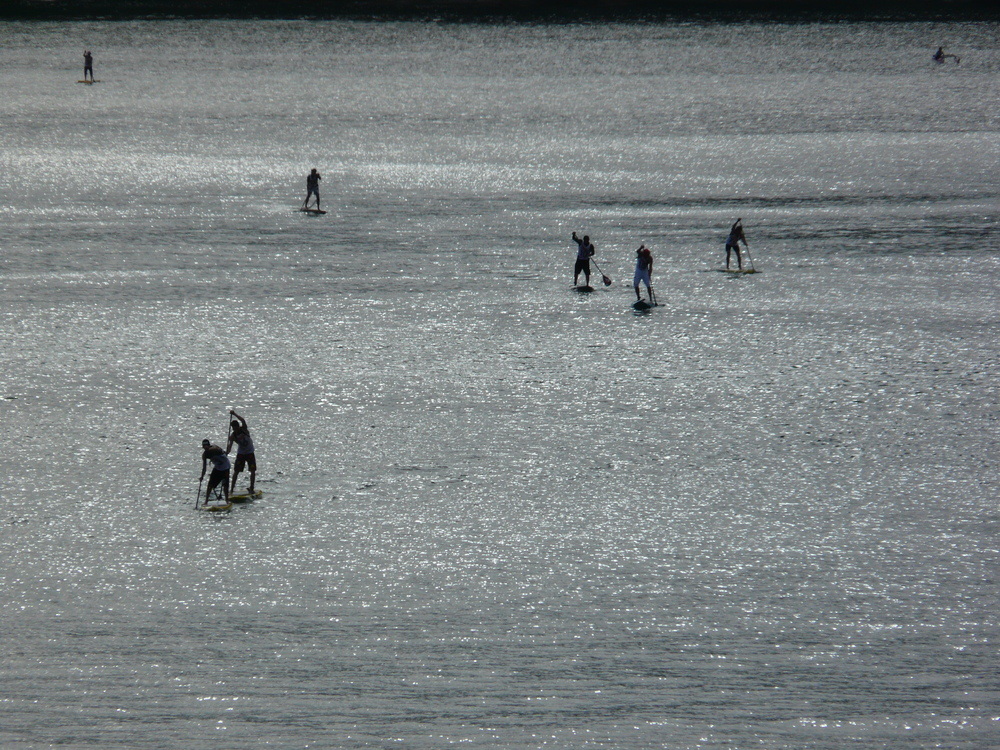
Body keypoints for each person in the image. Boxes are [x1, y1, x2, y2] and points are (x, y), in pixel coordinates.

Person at [226, 410, 256, 494]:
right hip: (241, 454)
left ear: (238, 426)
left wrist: (234, 414)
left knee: (252, 470)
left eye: (235, 428)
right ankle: (231, 489)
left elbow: (243, 420)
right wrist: (227, 453)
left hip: (250, 452)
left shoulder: (244, 429)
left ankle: (251, 488)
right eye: (233, 428)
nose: (234, 429)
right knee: (236, 471)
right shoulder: (233, 436)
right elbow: (230, 446)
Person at [200, 439, 230, 505]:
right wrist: (202, 476)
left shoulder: (215, 448)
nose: (206, 447)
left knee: (225, 485)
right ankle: (206, 501)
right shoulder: (205, 455)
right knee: (210, 484)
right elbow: (204, 467)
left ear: (209, 445)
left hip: (225, 467)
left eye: (206, 446)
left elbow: (224, 452)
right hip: (217, 468)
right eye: (204, 446)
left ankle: (227, 500)